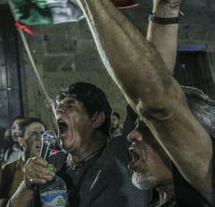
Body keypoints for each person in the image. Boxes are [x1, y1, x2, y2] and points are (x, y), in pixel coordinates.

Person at [48, 0, 213, 205]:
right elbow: (151, 89)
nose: (131, 137)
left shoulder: (208, 178)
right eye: (140, 128)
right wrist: (165, 11)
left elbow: (156, 102)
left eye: (153, 131)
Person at [9, 82, 144, 206]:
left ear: (97, 119)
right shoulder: (53, 163)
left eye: (70, 106)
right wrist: (27, 186)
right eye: (58, 107)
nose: (58, 111)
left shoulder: (123, 153)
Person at [0, 118, 45, 207]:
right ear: (21, 141)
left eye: (43, 134)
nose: (40, 138)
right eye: (33, 134)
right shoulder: (8, 169)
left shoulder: (53, 166)